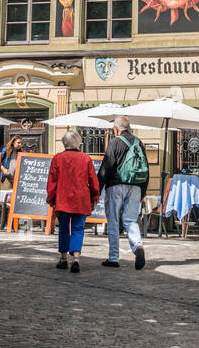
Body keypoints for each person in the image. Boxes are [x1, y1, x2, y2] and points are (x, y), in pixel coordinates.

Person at [97, 116, 149, 269]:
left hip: (116, 186)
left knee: (113, 220)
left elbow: (106, 168)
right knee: (130, 220)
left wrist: (97, 189)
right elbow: (145, 167)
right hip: (136, 186)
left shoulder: (114, 142)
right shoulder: (138, 142)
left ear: (116, 128)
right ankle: (138, 246)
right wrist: (143, 191)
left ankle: (113, 258)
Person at [46, 130, 100, 273]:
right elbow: (93, 180)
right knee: (77, 228)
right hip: (81, 199)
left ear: (64, 143)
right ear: (78, 143)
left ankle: (63, 259)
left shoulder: (57, 158)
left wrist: (51, 198)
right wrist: (95, 196)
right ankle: (76, 258)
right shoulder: (86, 158)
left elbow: (52, 181)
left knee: (63, 228)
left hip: (63, 198)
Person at [0, 135, 24, 230]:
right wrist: (4, 169)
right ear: (13, 142)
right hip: (7, 178)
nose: (20, 145)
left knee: (14, 201)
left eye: (21, 143)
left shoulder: (19, 152)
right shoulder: (5, 150)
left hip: (15, 179)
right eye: (18, 143)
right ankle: (3, 223)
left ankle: (13, 223)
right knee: (6, 201)